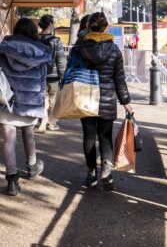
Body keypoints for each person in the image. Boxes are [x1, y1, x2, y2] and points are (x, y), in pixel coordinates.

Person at [0, 18, 53, 196]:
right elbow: (42, 79)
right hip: (30, 100)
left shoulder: (3, 47)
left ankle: (12, 180)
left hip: (6, 99)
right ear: (33, 32)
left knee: (9, 139)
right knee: (29, 134)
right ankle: (32, 166)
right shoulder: (41, 52)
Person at [71, 12, 132, 191]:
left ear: (88, 27)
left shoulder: (79, 47)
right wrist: (126, 101)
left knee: (89, 137)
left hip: (85, 97)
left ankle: (91, 174)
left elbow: (71, 68)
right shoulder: (113, 49)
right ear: (106, 27)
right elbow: (119, 79)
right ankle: (106, 171)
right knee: (105, 136)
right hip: (107, 99)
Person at [36, 14, 67, 132]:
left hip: (39, 75)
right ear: (50, 24)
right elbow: (61, 60)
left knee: (42, 99)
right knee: (53, 101)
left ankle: (42, 121)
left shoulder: (35, 40)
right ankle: (51, 123)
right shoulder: (56, 41)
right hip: (53, 76)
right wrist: (63, 77)